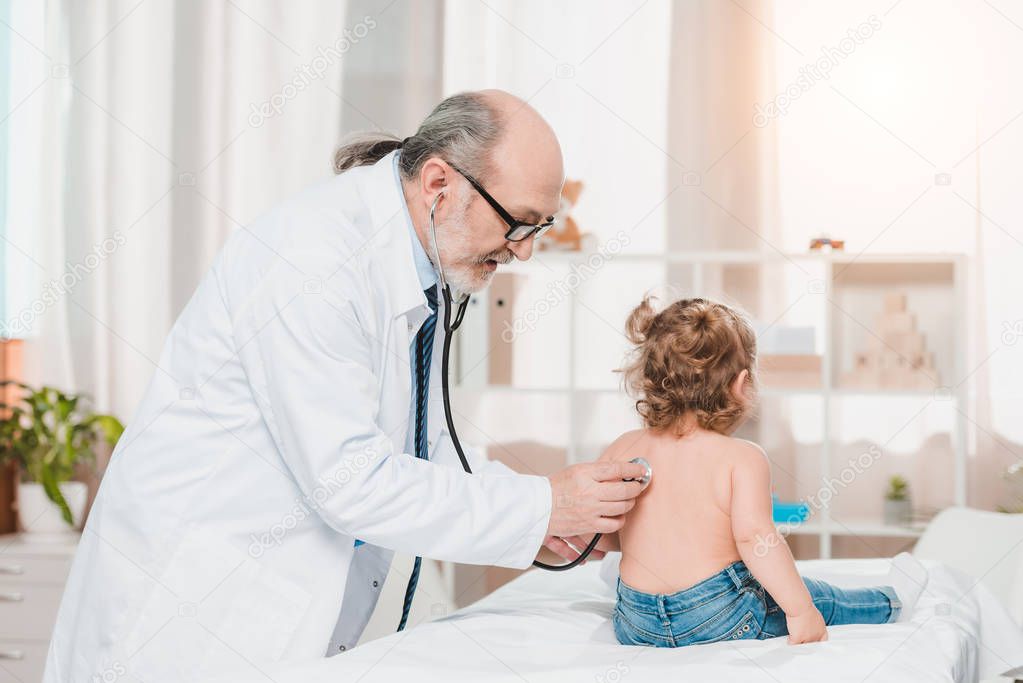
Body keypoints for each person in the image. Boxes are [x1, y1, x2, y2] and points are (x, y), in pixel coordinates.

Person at [44, 90, 645, 681]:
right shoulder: (312, 260)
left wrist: (540, 525)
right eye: (517, 224)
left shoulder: (423, 268)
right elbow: (350, 480)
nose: (524, 252)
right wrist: (541, 507)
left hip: (269, 610)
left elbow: (426, 454)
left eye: (540, 227)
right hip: (191, 615)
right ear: (439, 185)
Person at [600, 296, 930, 648]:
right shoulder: (741, 457)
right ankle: (893, 601)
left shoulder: (624, 447)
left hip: (637, 622)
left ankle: (643, 582)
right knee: (821, 596)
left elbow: (603, 533)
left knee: (632, 566)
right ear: (741, 385)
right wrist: (800, 611)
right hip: (719, 617)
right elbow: (757, 539)